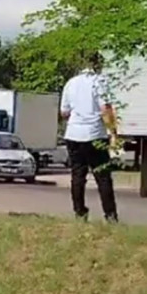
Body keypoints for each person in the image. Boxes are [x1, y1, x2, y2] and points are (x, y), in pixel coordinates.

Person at [60, 52, 118, 222]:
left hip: (73, 134)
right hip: (94, 134)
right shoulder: (99, 81)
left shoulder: (71, 83)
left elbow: (64, 112)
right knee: (103, 176)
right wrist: (113, 131)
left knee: (78, 175)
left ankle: (79, 213)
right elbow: (105, 109)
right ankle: (110, 215)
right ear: (98, 64)